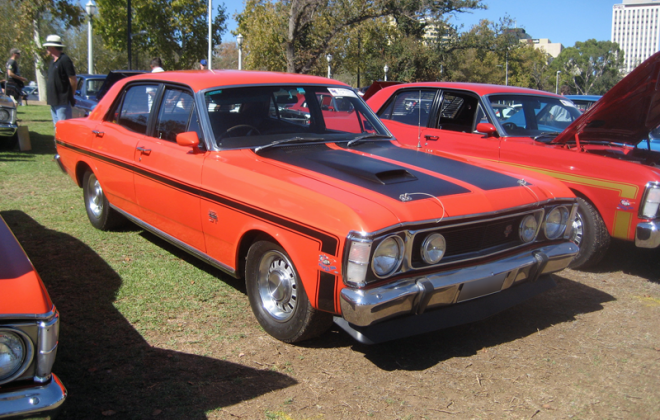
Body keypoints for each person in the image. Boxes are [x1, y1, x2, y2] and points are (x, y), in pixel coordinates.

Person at [43, 35, 77, 126]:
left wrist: (71, 95)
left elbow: (73, 79)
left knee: (64, 126)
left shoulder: (65, 60)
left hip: (62, 100)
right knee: (56, 126)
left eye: (47, 47)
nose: (46, 49)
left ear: (52, 47)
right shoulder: (53, 62)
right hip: (53, 100)